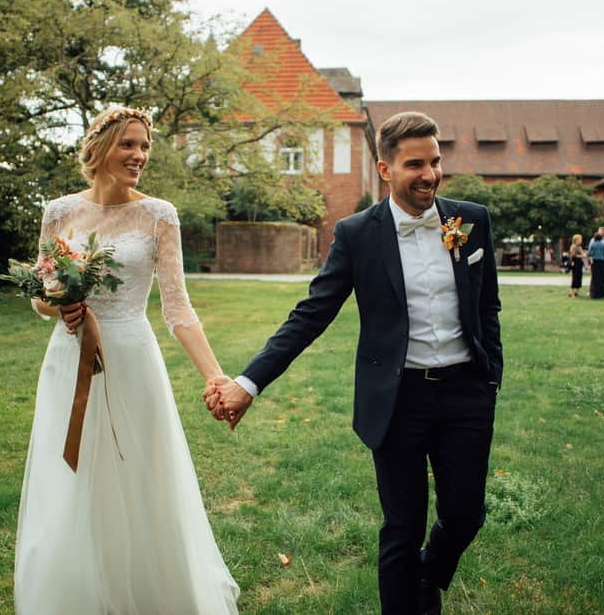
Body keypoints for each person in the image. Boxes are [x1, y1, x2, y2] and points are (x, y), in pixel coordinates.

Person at [206, 112, 502, 615]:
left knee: (466, 515)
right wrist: (249, 383)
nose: (429, 174)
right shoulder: (358, 234)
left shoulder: (470, 221)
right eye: (415, 164)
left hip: (464, 395)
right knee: (401, 527)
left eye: (434, 162)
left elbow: (487, 304)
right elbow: (310, 316)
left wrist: (490, 374)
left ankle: (429, 573)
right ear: (385, 169)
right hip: (397, 400)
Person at [14, 106, 239, 614]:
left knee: (139, 473)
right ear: (99, 148)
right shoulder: (58, 211)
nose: (139, 156)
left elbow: (177, 308)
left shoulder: (159, 214)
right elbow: (38, 294)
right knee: (70, 476)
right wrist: (60, 302)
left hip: (133, 359)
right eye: (129, 145)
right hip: (68, 359)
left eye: (144, 148)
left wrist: (215, 376)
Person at [587, 233, 604, 299]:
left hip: (595, 262)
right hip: (602, 262)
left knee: (594, 278)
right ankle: (601, 293)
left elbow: (589, 253)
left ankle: (594, 293)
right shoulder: (603, 245)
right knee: (601, 278)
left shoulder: (593, 244)